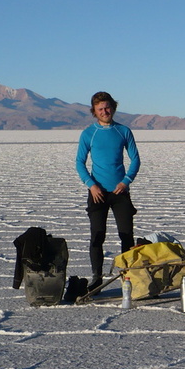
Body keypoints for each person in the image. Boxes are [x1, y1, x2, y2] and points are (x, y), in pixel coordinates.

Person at [75, 91, 141, 292]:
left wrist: (126, 181)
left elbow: (135, 159)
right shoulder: (89, 133)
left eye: (107, 107)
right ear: (94, 112)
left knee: (126, 235)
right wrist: (91, 185)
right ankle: (96, 277)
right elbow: (79, 162)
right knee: (97, 236)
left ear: (113, 107)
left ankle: (128, 276)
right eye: (100, 109)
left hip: (120, 193)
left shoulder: (123, 131)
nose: (105, 111)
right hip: (98, 193)